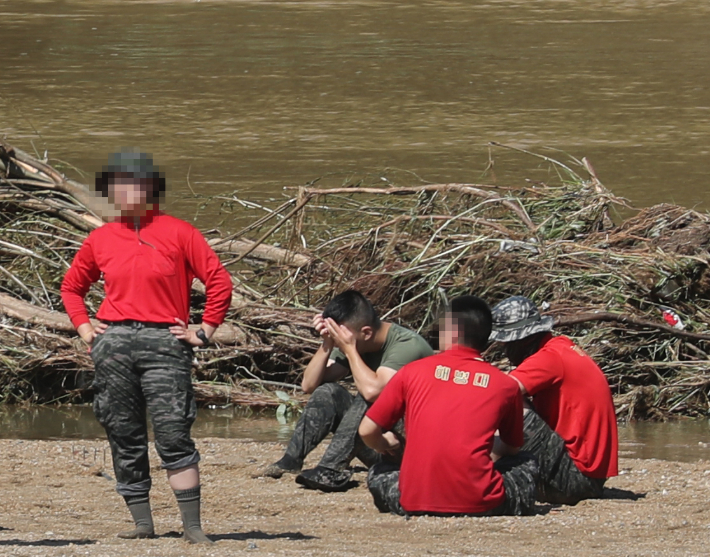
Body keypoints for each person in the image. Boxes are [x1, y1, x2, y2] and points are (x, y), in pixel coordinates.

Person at [61, 149, 232, 544]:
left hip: (165, 342)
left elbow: (219, 282)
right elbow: (72, 287)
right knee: (123, 431)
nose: (125, 192)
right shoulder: (100, 237)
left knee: (173, 432)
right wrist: (86, 329)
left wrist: (203, 331)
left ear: (152, 188)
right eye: (117, 185)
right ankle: (143, 525)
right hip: (113, 343)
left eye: (134, 183)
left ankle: (192, 527)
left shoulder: (180, 232)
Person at [359, 295, 538, 516]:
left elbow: (367, 430)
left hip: (413, 503)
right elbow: (511, 449)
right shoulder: (506, 385)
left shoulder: (412, 372)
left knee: (379, 471)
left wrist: (384, 443)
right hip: (480, 503)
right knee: (526, 461)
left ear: (452, 331)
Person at [258, 289, 433, 492]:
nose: (341, 343)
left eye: (340, 336)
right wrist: (327, 343)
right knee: (329, 392)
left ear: (366, 333)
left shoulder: (406, 345)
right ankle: (291, 460)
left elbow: (373, 392)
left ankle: (331, 470)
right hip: (377, 442)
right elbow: (309, 385)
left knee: (368, 398)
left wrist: (349, 349)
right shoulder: (358, 342)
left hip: (409, 446)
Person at [489, 296, 619, 505]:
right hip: (589, 477)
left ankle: (476, 468)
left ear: (522, 340)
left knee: (511, 403)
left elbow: (493, 393)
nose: (505, 351)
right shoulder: (560, 347)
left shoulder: (549, 358)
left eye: (506, 344)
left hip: (578, 480)